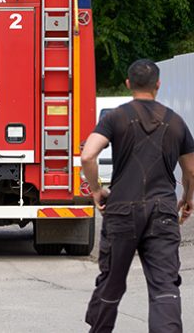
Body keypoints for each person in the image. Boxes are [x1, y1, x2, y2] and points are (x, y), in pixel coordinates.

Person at [81, 59, 194, 332]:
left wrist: (96, 189)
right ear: (158, 84)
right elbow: (191, 170)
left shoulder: (115, 117)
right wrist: (188, 198)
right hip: (163, 212)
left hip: (121, 210)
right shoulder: (176, 122)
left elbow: (87, 155)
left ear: (129, 84)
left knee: (112, 281)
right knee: (164, 284)